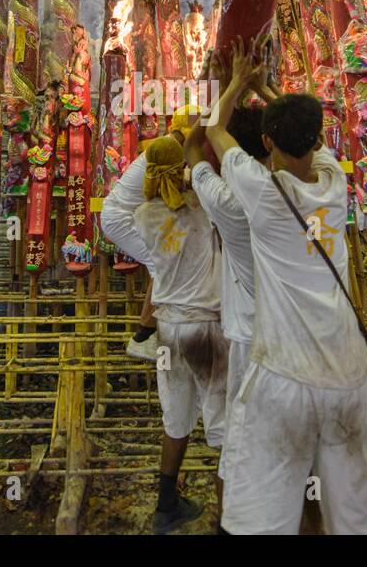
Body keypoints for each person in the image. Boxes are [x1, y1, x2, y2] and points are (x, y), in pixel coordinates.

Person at [209, 41, 367, 535]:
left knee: (264, 515)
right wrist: (266, 89)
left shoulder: (263, 191)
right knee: (353, 513)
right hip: (348, 378)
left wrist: (237, 81)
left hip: (285, 377)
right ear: (316, 137)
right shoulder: (335, 182)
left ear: (266, 142)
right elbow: (307, 135)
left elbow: (215, 130)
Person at [130, 135, 225, 533]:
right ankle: (230, 520)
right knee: (224, 429)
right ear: (182, 170)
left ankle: (165, 506)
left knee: (176, 419)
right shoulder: (202, 211)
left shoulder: (142, 216)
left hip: (168, 332)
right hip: (206, 330)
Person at [184, 103, 270, 496]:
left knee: (237, 446)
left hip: (249, 340)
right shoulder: (299, 190)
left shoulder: (227, 204)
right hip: (298, 340)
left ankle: (231, 518)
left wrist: (219, 93)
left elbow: (193, 146)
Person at [100, 107, 194, 360]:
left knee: (167, 263)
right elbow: (174, 191)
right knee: (163, 265)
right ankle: (143, 336)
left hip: (129, 216)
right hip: (122, 218)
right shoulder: (168, 149)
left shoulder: (172, 146)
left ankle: (153, 331)